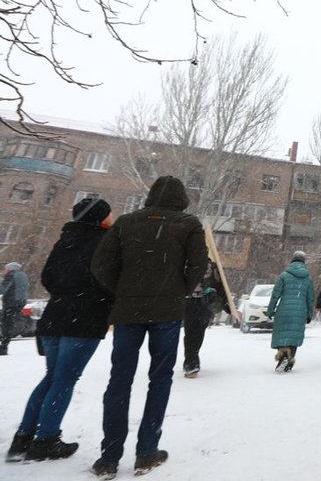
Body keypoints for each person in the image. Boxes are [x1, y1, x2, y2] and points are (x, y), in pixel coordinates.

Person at [89, 176, 208, 478]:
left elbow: (100, 264)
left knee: (120, 380)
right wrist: (179, 290)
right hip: (167, 312)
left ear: (151, 195)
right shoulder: (188, 224)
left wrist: (123, 289)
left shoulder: (126, 222)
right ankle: (146, 452)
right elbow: (198, 265)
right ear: (181, 198)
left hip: (128, 312)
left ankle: (109, 457)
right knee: (160, 379)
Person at [5, 198, 113, 463]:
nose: (113, 218)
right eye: (109, 214)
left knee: (52, 377)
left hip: (54, 317)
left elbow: (47, 277)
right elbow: (108, 280)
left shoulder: (65, 240)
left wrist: (65, 295)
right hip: (83, 320)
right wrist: (102, 301)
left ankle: (23, 438)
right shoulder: (103, 243)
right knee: (64, 380)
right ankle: (46, 440)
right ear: (99, 218)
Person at [266, 250, 315, 373]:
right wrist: (309, 314)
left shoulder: (284, 276)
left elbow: (275, 295)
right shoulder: (308, 279)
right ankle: (289, 360)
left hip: (284, 310)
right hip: (299, 312)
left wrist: (270, 310)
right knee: (294, 336)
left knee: (282, 334)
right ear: (304, 262)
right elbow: (310, 299)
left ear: (292, 260)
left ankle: (282, 356)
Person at [182, 259, 229, 378]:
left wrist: (226, 304)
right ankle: (191, 363)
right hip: (191, 302)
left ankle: (191, 360)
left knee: (197, 333)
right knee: (192, 332)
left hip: (205, 303)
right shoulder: (186, 264)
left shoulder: (212, 267)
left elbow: (221, 285)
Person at [0, 262, 29, 356]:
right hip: (20, 302)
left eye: (6, 269)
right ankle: (4, 345)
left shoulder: (11, 275)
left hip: (11, 303)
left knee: (6, 324)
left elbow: (2, 289)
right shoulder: (23, 275)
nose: (4, 271)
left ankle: (3, 347)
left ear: (10, 269)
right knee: (10, 322)